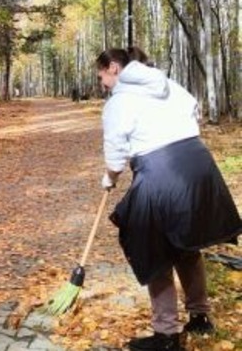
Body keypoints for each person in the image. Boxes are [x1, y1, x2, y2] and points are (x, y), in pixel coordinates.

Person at [97, 47, 242, 351]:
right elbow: (195, 110)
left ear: (113, 67)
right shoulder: (168, 85)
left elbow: (115, 158)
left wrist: (109, 179)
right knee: (185, 243)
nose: (102, 85)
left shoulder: (118, 103)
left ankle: (166, 336)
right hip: (198, 163)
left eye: (102, 77)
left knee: (152, 250)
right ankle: (200, 318)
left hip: (160, 171)